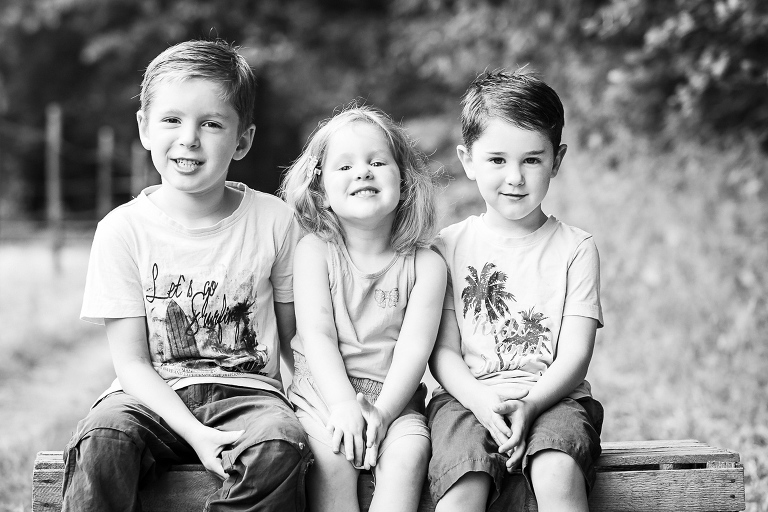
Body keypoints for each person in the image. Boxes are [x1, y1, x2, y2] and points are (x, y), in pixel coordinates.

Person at [62, 40, 312, 512]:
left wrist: (321, 407)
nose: (189, 138)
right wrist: (195, 432)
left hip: (250, 396)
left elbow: (295, 339)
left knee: (281, 442)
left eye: (211, 123)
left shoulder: (275, 221)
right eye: (172, 120)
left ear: (243, 140)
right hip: (150, 398)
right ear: (144, 128)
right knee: (104, 434)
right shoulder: (123, 230)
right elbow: (132, 364)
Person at [427, 69, 605, 512]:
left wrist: (531, 403)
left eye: (531, 160)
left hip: (555, 398)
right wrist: (481, 401)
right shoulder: (447, 247)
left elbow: (575, 354)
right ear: (468, 160)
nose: (515, 177)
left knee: (557, 470)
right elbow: (443, 352)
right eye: (497, 160)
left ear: (556, 160)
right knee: (462, 483)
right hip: (465, 399)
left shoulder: (575, 248)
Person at [280, 105, 446, 512]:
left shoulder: (427, 265)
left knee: (408, 458)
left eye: (377, 162)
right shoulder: (314, 252)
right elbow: (317, 334)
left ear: (404, 181)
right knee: (331, 460)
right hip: (322, 394)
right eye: (345, 166)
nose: (363, 172)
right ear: (320, 190)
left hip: (395, 399)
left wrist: (383, 414)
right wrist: (342, 406)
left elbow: (414, 349)